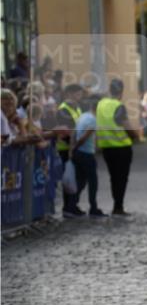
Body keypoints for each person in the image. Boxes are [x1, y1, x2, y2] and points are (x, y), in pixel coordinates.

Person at [96, 78, 138, 216]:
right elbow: (127, 127)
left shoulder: (101, 104)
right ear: (121, 91)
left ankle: (117, 205)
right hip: (122, 148)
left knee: (113, 177)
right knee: (122, 178)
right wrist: (135, 135)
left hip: (106, 148)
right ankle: (118, 207)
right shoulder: (118, 106)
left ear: (110, 89)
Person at [70, 93, 106, 217]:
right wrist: (76, 147)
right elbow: (84, 137)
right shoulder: (92, 120)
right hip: (86, 153)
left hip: (79, 153)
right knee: (92, 181)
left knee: (81, 180)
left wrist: (72, 149)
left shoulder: (83, 116)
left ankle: (72, 205)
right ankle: (93, 207)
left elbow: (74, 133)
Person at [55, 84, 84, 217]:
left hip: (76, 147)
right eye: (78, 94)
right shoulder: (63, 109)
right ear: (69, 94)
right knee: (69, 179)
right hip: (65, 149)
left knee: (76, 178)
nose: (80, 96)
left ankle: (73, 205)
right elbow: (68, 130)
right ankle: (68, 207)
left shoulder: (76, 108)